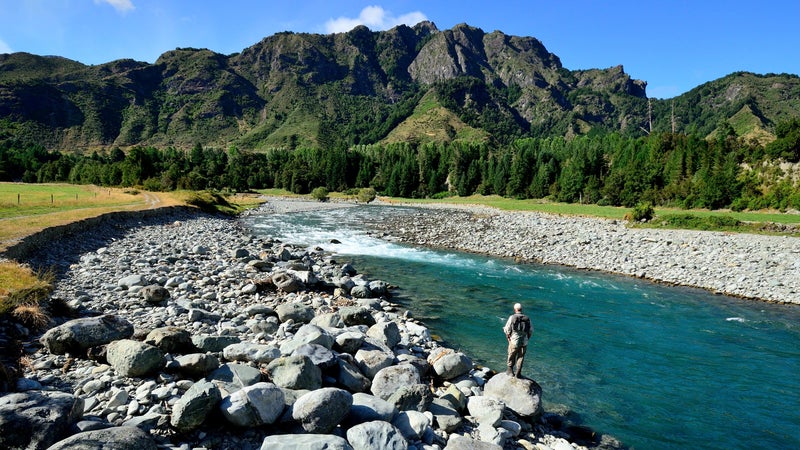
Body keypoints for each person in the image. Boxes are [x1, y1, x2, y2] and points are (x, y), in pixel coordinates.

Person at [503, 303, 532, 378]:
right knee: (521, 357)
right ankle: (518, 373)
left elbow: (507, 329)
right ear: (521, 309)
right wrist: (527, 338)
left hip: (514, 340)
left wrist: (508, 337)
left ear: (515, 309)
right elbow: (531, 331)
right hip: (524, 341)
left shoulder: (512, 317)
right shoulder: (527, 318)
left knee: (511, 354)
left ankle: (510, 371)